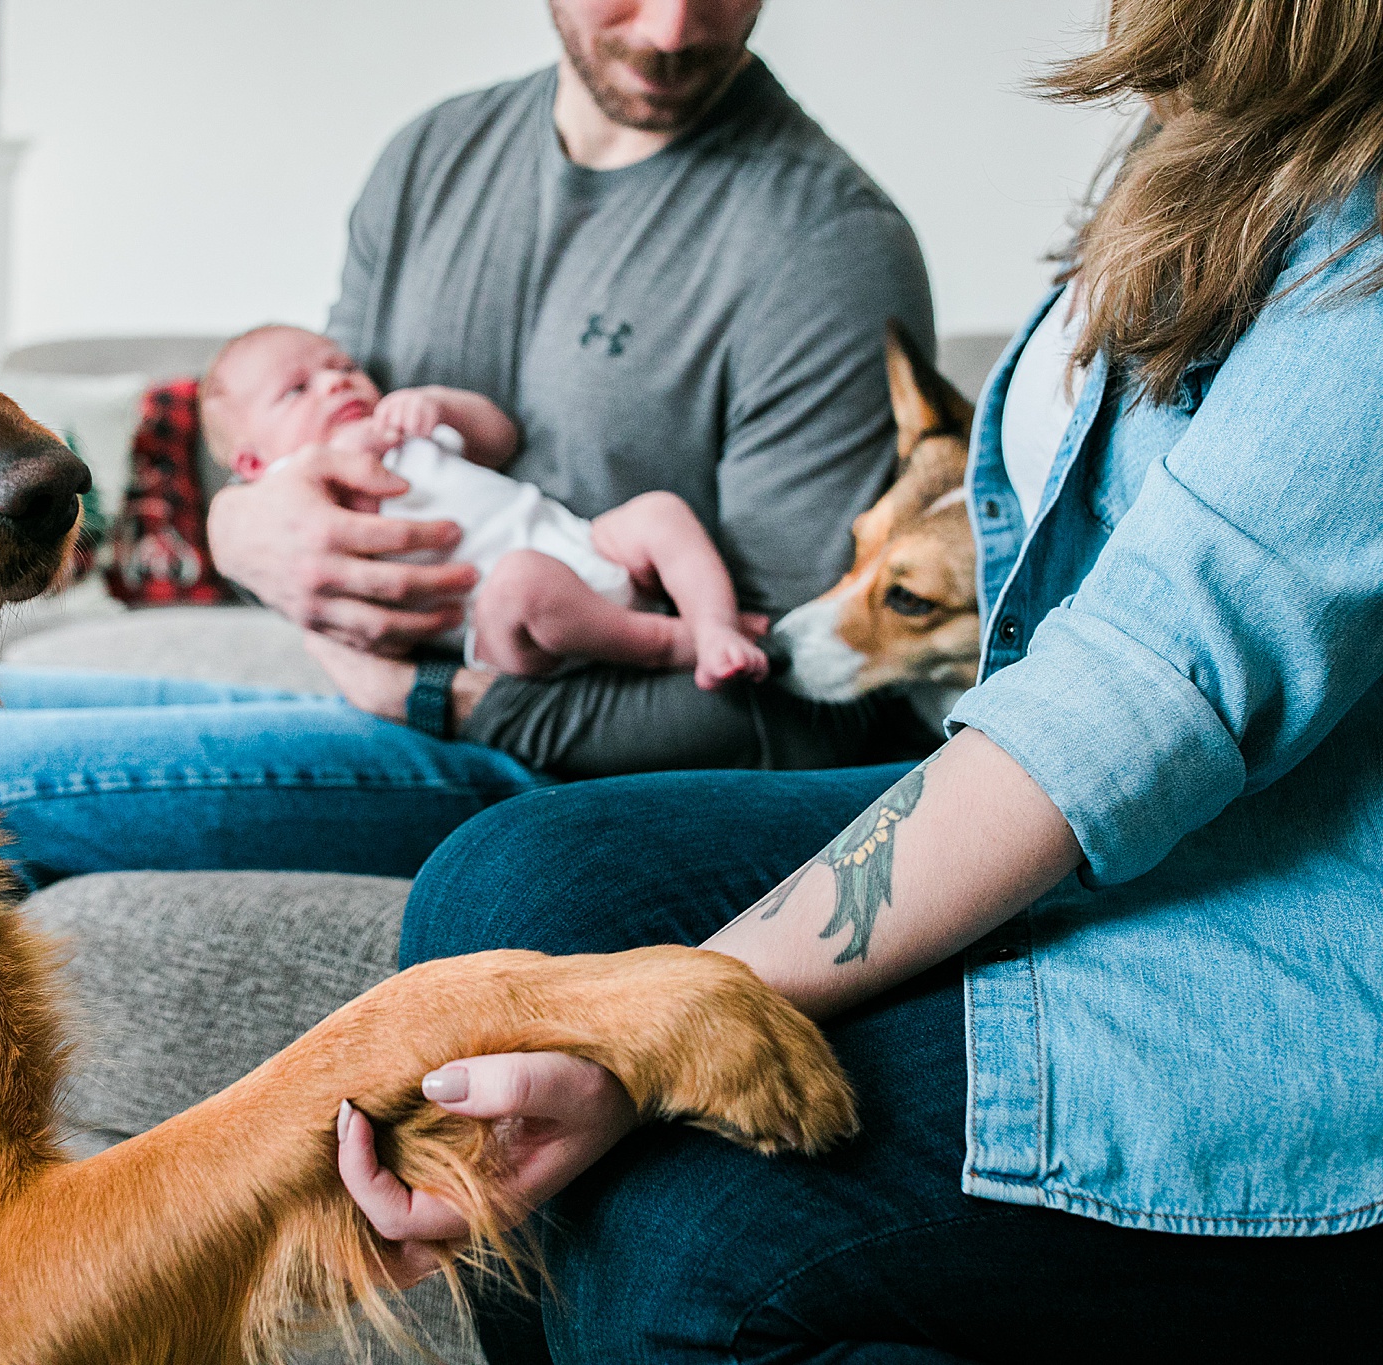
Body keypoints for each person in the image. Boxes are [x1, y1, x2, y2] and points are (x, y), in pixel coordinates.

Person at [335, 1, 1383, 1358]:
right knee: (506, 891)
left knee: (695, 1231)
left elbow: (1131, 700)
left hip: (1289, 921)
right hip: (1138, 822)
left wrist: (659, 1029)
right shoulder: (1215, 141)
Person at [0, 0, 937, 886]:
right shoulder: (429, 161)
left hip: (546, 756)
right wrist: (241, 529)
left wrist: (425, 692)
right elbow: (314, 456)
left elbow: (801, 715)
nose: (672, 28)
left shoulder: (828, 247)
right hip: (380, 685)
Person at [201, 323, 770, 687]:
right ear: (253, 466)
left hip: (581, 542)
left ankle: (716, 623)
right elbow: (337, 565)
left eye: (343, 366)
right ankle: (672, 643)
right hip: (502, 623)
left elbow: (499, 439)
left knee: (659, 512)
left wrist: (441, 407)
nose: (335, 384)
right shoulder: (300, 500)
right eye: (297, 390)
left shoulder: (402, 430)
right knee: (524, 580)